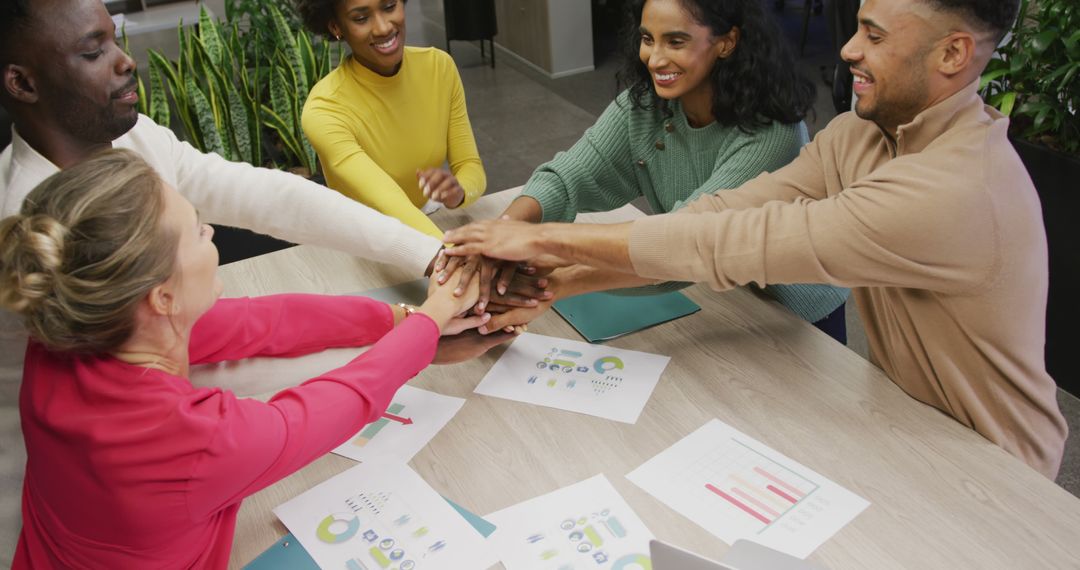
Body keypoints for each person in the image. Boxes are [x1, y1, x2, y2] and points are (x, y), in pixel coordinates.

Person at [442, 0, 1069, 479]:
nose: (848, 49)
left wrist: (547, 245)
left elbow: (741, 242)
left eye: (874, 35)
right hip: (905, 422)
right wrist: (552, 276)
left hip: (993, 466)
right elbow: (720, 214)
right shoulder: (862, 134)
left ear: (953, 54)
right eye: (856, 26)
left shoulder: (954, 189)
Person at [0, 149, 509, 569]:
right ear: (161, 297)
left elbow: (263, 321)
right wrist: (433, 317)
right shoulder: (195, 440)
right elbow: (338, 404)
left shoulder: (69, 328)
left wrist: (400, 319)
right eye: (198, 230)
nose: (212, 235)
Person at [0, 0, 542, 393]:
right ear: (22, 83)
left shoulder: (131, 136)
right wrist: (410, 348)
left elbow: (270, 196)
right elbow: (185, 377)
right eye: (94, 52)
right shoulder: (39, 226)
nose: (125, 62)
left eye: (116, 39)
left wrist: (434, 257)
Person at [442, 0, 849, 340]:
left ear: (727, 42)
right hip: (721, 298)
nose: (655, 59)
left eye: (676, 41)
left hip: (792, 317)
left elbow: (687, 246)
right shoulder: (646, 106)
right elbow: (569, 176)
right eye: (647, 38)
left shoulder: (771, 134)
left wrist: (550, 274)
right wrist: (505, 231)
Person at [297, 0, 487, 237]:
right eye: (360, 18)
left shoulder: (439, 67)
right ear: (336, 27)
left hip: (426, 222)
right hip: (362, 239)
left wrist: (460, 192)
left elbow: (470, 166)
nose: (383, 27)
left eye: (389, 7)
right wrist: (449, 257)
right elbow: (388, 201)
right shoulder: (325, 109)